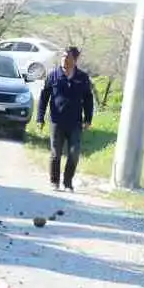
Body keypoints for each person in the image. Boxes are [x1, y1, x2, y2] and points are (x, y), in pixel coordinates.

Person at [35, 45, 96, 191]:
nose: (64, 60)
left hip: (75, 122)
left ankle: (68, 182)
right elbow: (44, 97)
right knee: (55, 153)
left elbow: (88, 99)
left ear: (75, 60)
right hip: (57, 121)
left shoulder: (82, 78)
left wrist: (88, 119)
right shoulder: (54, 75)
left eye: (67, 57)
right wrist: (40, 118)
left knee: (74, 153)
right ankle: (54, 181)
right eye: (62, 57)